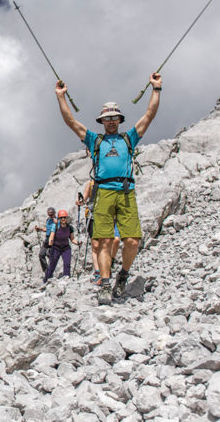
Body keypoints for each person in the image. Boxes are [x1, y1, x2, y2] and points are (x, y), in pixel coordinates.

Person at [56, 73, 162, 305]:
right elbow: (71, 122)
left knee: (132, 240)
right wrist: (61, 97)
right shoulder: (95, 140)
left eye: (114, 117)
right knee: (103, 242)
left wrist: (156, 89)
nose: (111, 121)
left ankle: (122, 275)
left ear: (119, 120)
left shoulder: (129, 138)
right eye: (107, 118)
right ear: (102, 122)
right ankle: (105, 284)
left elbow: (149, 115)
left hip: (125, 191)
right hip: (103, 192)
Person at [76, 180, 122, 284]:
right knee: (95, 245)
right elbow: (85, 198)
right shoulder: (91, 183)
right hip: (93, 216)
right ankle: (98, 272)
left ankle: (109, 264)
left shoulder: (113, 181)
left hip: (109, 216)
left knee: (115, 240)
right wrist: (80, 202)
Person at [43, 209, 78, 283]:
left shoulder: (70, 227)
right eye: (61, 217)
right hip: (56, 247)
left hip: (66, 248)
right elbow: (51, 237)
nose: (63, 219)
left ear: (66, 218)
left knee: (67, 263)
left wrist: (78, 243)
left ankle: (67, 279)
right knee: (52, 265)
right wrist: (50, 246)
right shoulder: (55, 226)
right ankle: (46, 281)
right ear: (59, 218)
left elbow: (72, 239)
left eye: (64, 217)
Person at [33, 207, 57, 274]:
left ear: (54, 213)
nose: (50, 216)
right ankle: (46, 271)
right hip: (47, 238)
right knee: (41, 255)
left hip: (54, 239)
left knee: (49, 253)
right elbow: (47, 229)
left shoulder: (57, 220)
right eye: (49, 214)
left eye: (51, 214)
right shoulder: (48, 220)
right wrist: (39, 229)